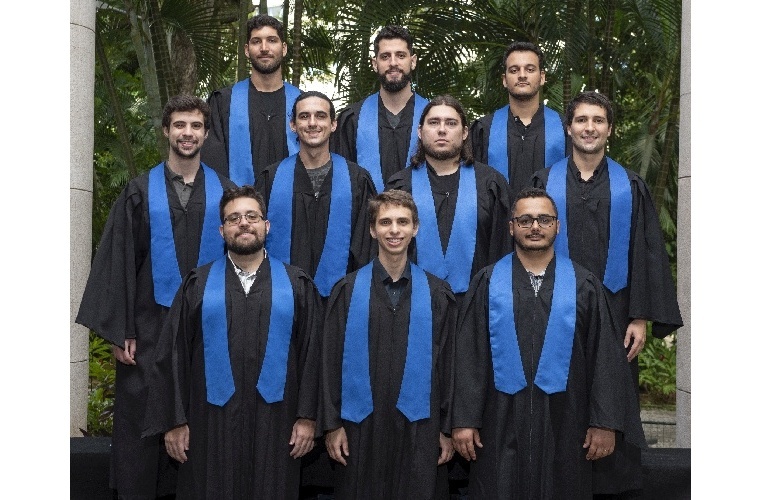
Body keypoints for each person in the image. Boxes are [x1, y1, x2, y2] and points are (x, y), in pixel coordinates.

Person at [76, 95, 237, 499]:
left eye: (196, 126)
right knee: (140, 419)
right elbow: (118, 262)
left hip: (209, 330)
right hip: (148, 328)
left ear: (206, 133)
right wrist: (120, 331)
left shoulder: (226, 194)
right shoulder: (139, 191)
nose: (187, 133)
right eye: (180, 125)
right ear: (166, 130)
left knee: (205, 416)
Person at [530, 91, 683, 498]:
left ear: (610, 129)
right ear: (568, 128)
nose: (589, 128)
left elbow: (646, 253)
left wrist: (640, 317)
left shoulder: (629, 186)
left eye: (598, 120)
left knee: (612, 396)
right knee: (556, 397)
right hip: (553, 310)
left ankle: (613, 488)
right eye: (581, 120)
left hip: (616, 314)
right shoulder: (543, 183)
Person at [452, 187, 647, 499]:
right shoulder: (487, 283)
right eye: (525, 220)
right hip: (499, 419)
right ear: (511, 227)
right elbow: (468, 355)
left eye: (544, 219)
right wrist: (464, 420)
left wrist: (605, 423)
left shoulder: (584, 285)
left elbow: (605, 358)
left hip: (567, 419)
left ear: (558, 226)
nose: (535, 227)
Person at [142, 185, 323, 498]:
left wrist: (308, 418)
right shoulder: (197, 284)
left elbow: (314, 354)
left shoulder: (296, 285)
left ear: (266, 226)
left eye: (252, 216)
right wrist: (174, 421)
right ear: (221, 230)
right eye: (234, 218)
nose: (243, 223)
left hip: (277, 423)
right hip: (208, 424)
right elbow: (173, 354)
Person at [319, 190, 457, 499]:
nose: (394, 230)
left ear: (415, 228)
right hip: (357, 426)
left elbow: (449, 366)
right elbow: (329, 362)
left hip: (421, 426)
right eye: (385, 222)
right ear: (372, 230)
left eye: (402, 222)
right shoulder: (347, 291)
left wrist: (446, 428)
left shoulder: (437, 294)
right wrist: (331, 425)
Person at [385, 94, 514, 302]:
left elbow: (504, 249)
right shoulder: (400, 185)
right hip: (413, 303)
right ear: (420, 131)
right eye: (434, 122)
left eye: (451, 123)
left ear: (465, 133)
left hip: (478, 304)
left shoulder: (491, 184)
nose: (442, 130)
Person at [255, 90, 377, 299]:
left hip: (341, 300)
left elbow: (366, 247)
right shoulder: (271, 179)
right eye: (304, 116)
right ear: (293, 125)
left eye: (320, 116)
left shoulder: (357, 180)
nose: (312, 123)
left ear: (333, 124)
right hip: (282, 298)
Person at [201, 14, 301, 186]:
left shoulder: (303, 104)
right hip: (237, 200)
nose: (264, 48)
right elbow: (212, 163)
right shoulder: (223, 102)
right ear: (247, 50)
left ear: (284, 48)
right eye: (256, 41)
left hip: (294, 199)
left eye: (272, 40)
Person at [331, 25, 429, 192]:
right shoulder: (352, 119)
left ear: (412, 61)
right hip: (366, 208)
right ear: (375, 64)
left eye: (400, 55)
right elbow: (340, 180)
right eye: (385, 56)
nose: (393, 63)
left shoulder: (433, 118)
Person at [470, 41, 569, 191]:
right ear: (504, 79)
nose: (522, 75)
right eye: (514, 70)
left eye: (530, 69)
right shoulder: (483, 130)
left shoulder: (565, 128)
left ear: (542, 77)